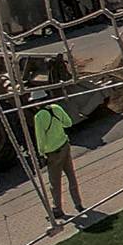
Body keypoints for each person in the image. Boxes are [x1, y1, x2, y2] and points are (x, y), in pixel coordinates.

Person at [32, 94, 82, 227]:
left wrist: (41, 153)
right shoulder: (56, 108)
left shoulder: (38, 117)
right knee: (71, 175)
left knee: (55, 182)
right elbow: (68, 123)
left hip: (52, 153)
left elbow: (40, 138)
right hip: (64, 145)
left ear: (37, 102)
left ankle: (58, 208)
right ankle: (78, 203)